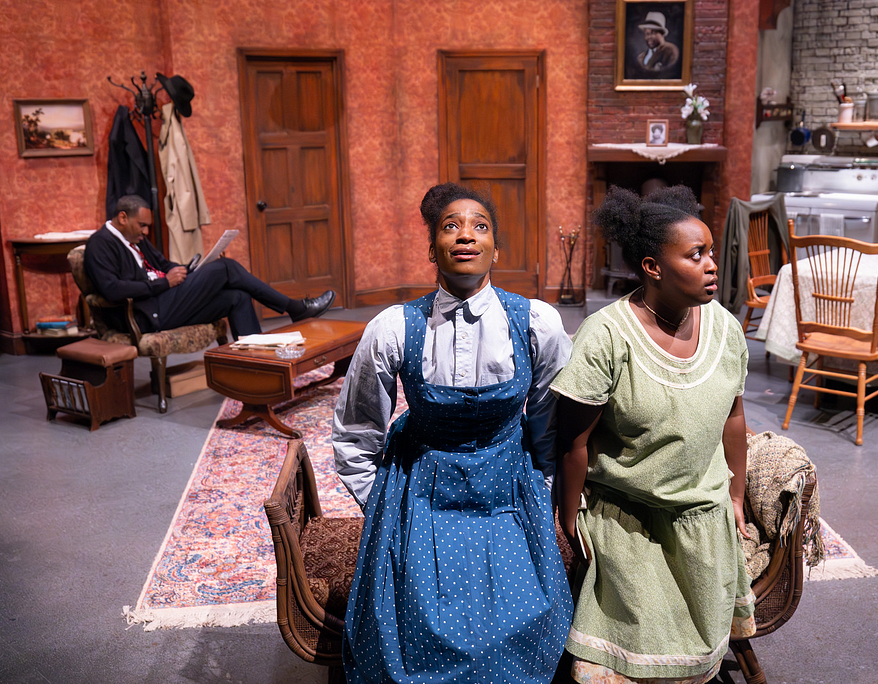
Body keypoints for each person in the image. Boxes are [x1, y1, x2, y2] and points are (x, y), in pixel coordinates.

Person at [332, 182, 573, 684]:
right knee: (409, 622)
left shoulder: (537, 323)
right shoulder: (393, 326)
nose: (466, 235)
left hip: (506, 485)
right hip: (420, 487)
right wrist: (380, 504)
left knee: (527, 615)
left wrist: (544, 489)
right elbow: (357, 431)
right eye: (451, 226)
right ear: (431, 249)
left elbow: (551, 421)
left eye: (480, 226)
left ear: (495, 250)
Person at [552, 185, 755, 684]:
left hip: (701, 509)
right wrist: (569, 517)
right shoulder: (605, 335)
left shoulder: (726, 329)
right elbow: (573, 442)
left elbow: (733, 417)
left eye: (710, 252)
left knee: (700, 636)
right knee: (632, 645)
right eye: (696, 255)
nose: (712, 265)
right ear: (652, 267)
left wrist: (735, 492)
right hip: (628, 515)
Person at [84, 194, 335, 338]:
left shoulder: (135, 238)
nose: (146, 231)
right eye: (142, 225)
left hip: (164, 299)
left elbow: (163, 264)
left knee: (236, 296)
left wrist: (188, 270)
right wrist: (164, 282)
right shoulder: (100, 245)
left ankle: (258, 367)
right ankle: (295, 308)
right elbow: (112, 290)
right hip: (146, 315)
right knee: (225, 268)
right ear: (122, 217)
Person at [635, 11, 680, 75]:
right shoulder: (641, 57)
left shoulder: (670, 51)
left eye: (653, 33)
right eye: (647, 33)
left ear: (663, 34)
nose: (649, 37)